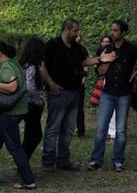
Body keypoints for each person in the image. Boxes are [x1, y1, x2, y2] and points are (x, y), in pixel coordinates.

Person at [41, 19, 116, 171]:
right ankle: (48, 162)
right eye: (75, 30)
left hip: (74, 92)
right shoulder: (53, 45)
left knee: (68, 129)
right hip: (58, 93)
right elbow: (41, 66)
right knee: (53, 128)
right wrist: (51, 84)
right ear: (66, 30)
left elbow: (85, 60)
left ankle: (63, 160)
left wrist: (100, 59)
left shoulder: (76, 47)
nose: (78, 33)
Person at [88, 20, 137, 172]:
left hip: (124, 94)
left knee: (121, 130)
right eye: (112, 30)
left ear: (123, 33)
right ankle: (96, 160)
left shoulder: (131, 49)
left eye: (116, 30)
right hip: (108, 93)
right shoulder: (107, 49)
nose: (113, 33)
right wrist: (107, 60)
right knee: (101, 128)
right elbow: (100, 72)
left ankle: (118, 161)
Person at [0, 41, 36, 190]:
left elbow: (12, 87)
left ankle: (29, 180)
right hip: (9, 112)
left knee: (15, 147)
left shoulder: (7, 66)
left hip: (9, 113)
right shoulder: (15, 64)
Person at [19, 36, 45, 159]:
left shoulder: (24, 65)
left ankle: (23, 159)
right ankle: (22, 160)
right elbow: (30, 87)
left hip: (30, 104)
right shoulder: (32, 67)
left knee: (32, 134)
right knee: (34, 135)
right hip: (32, 104)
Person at [95, 36, 116, 139]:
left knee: (112, 108)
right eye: (103, 41)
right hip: (101, 83)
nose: (105, 43)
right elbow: (98, 70)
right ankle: (105, 129)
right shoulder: (99, 54)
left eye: (108, 41)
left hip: (110, 83)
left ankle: (112, 131)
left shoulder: (113, 53)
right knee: (102, 107)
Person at [75, 32, 89, 138]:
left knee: (79, 107)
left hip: (79, 82)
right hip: (67, 83)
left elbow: (86, 63)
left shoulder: (83, 49)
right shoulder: (64, 48)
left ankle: (81, 131)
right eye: (76, 36)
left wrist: (84, 77)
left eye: (80, 36)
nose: (78, 38)